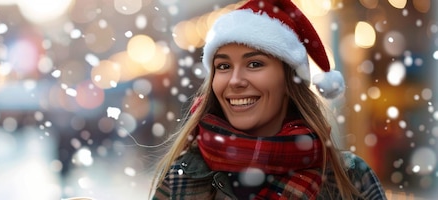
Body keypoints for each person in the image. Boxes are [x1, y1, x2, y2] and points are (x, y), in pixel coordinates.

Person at [150, 0, 386, 199]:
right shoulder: (182, 177)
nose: (234, 81)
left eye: (254, 63)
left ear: (288, 80)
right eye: (223, 66)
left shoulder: (351, 178)